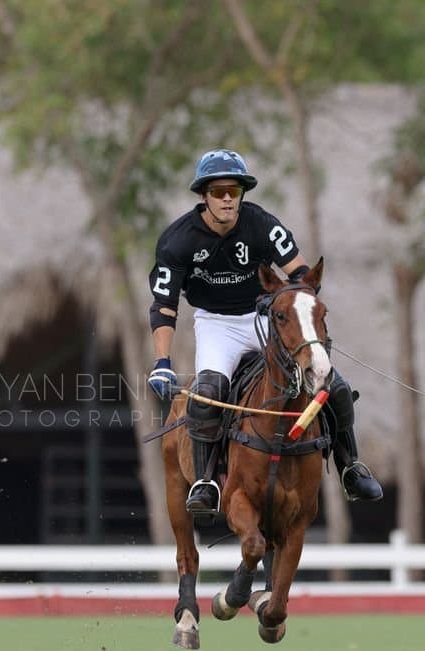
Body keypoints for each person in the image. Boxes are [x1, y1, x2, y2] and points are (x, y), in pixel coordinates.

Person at [146, 148, 382, 518]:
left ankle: (351, 466)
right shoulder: (177, 241)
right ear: (203, 195)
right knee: (207, 393)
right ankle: (207, 481)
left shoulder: (260, 224)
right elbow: (164, 307)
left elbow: (302, 274)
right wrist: (162, 361)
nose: (227, 199)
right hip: (216, 324)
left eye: (234, 191)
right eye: (219, 191)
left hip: (264, 318)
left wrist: (285, 301)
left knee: (331, 383)